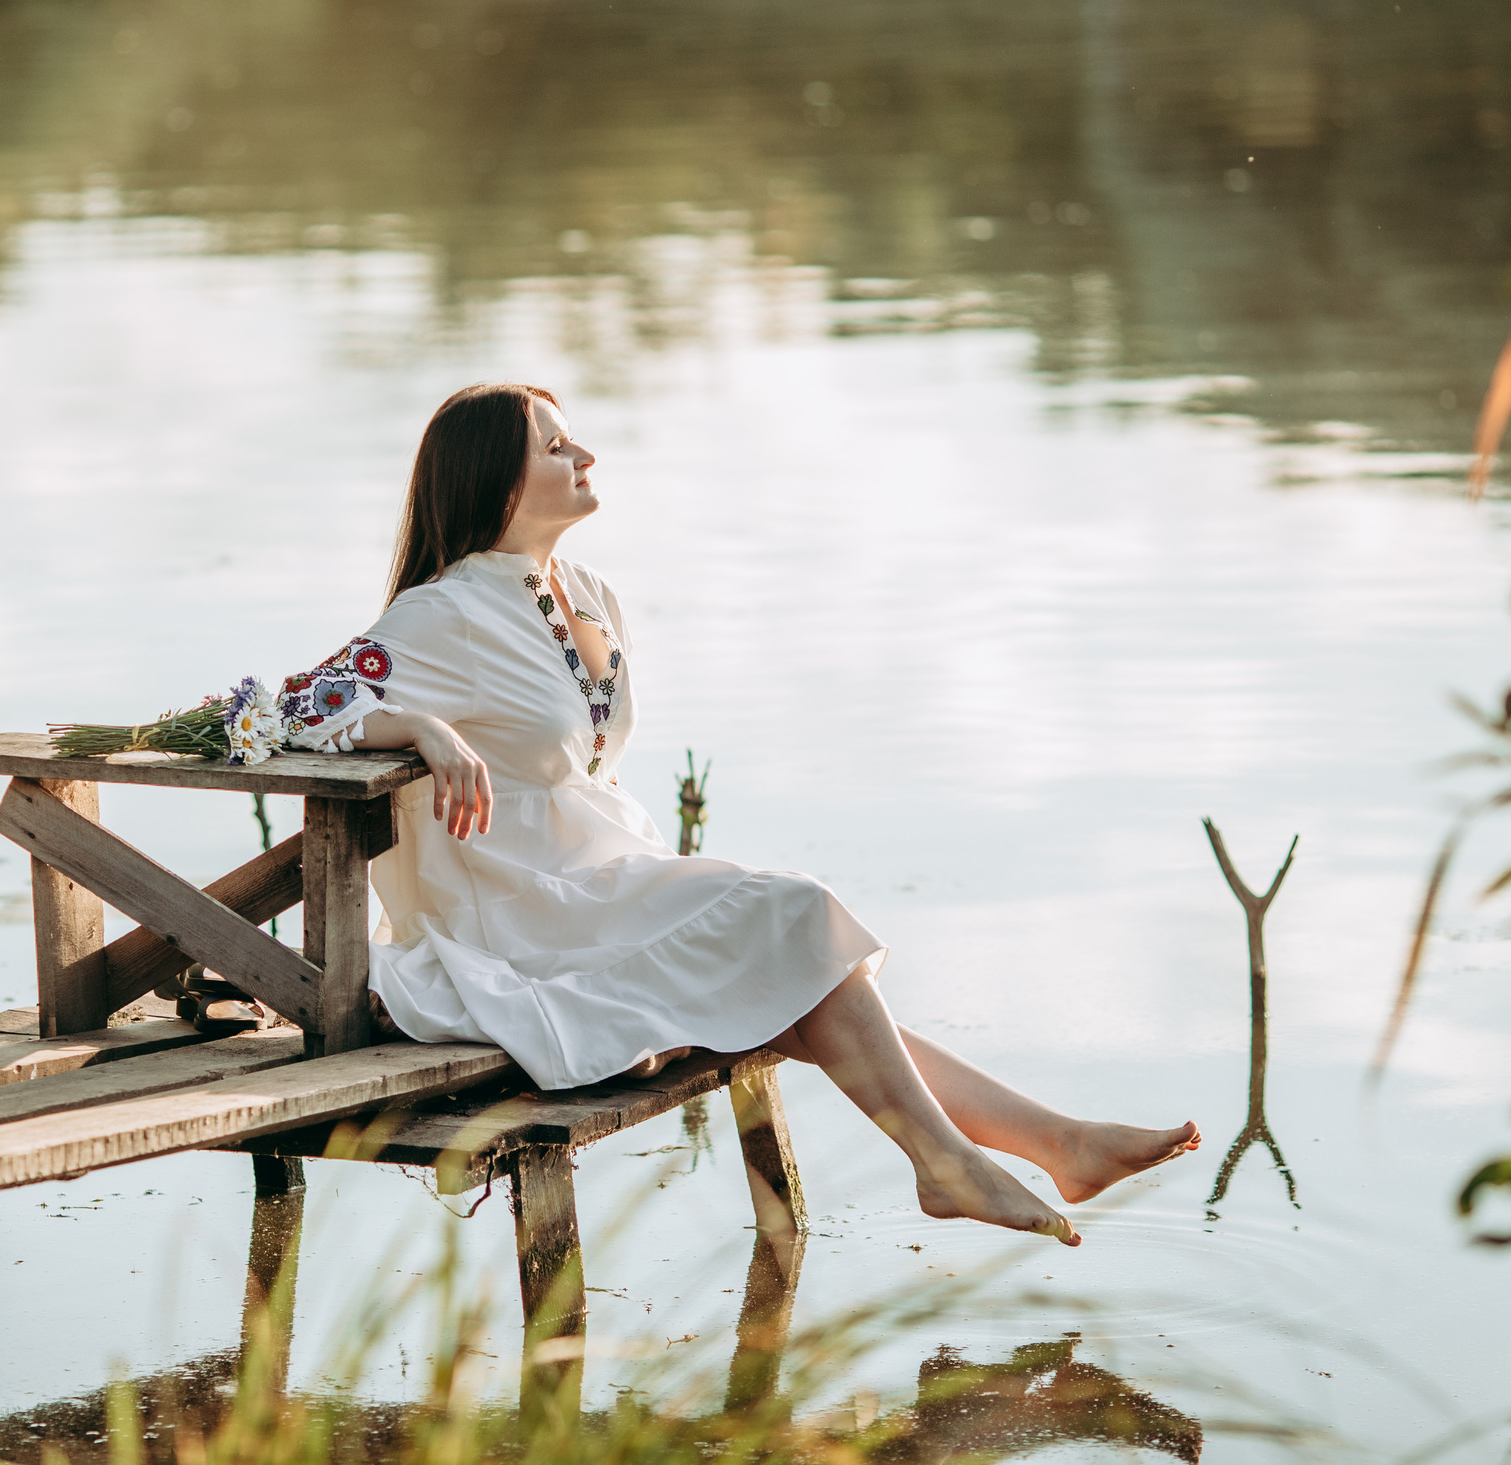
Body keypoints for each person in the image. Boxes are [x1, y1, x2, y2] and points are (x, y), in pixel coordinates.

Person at [279, 383, 1197, 1243]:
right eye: (557, 446)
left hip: (602, 878)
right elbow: (278, 710)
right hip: (523, 909)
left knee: (805, 974)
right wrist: (419, 725)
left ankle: (1051, 1146)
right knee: (794, 915)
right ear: (496, 480)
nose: (586, 453)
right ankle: (959, 1158)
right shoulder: (447, 613)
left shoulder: (588, 597)